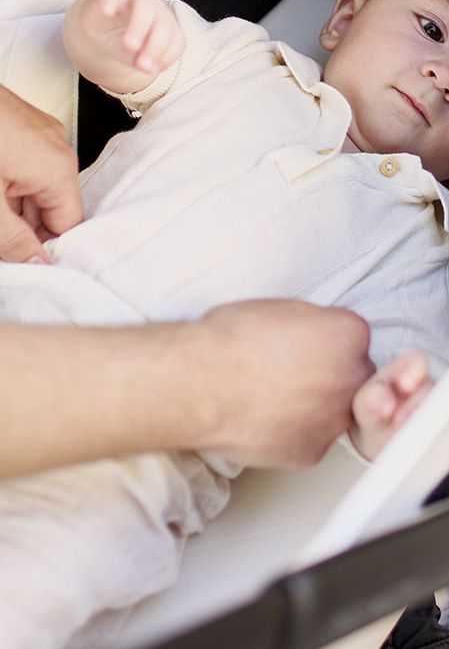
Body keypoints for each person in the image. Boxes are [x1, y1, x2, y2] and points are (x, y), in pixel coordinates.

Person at [0, 0, 449, 647]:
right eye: (431, 29)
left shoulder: (422, 252)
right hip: (25, 304)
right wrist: (108, 28)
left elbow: (411, 407)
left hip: (134, 473)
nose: (445, 77)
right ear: (342, 20)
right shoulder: (241, 61)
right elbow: (122, 54)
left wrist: (390, 414)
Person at [0, 83, 373, 479]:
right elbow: (124, 65)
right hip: (30, 283)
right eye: (420, 41)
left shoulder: (412, 248)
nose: (426, 74)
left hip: (142, 472)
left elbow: (372, 398)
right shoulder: (253, 67)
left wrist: (380, 419)